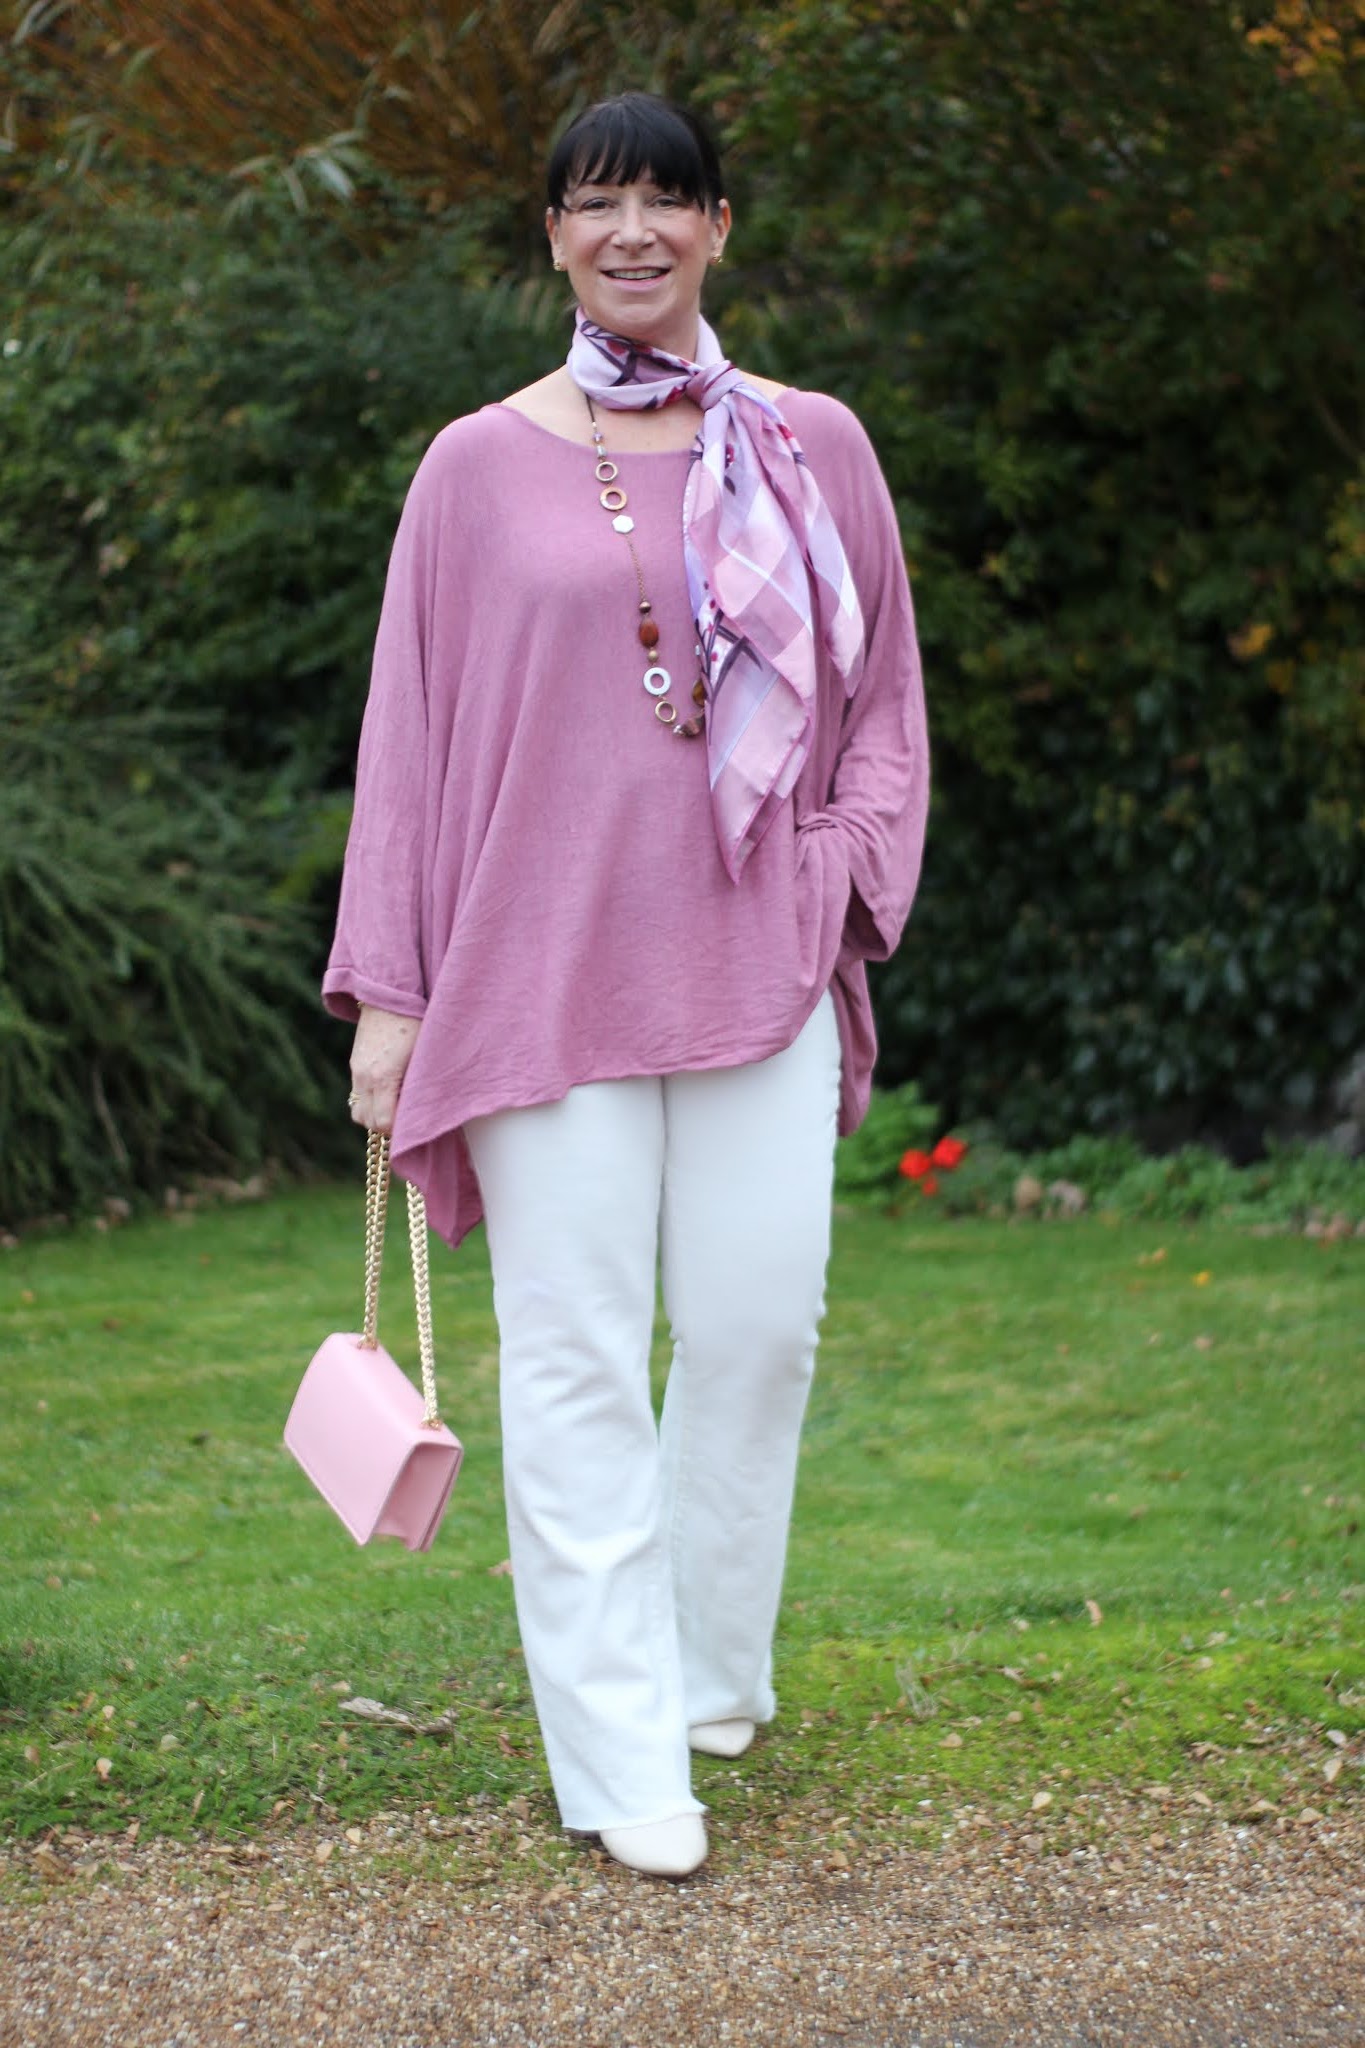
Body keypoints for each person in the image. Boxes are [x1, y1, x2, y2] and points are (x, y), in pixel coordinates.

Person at [324, 92, 929, 1879]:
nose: (634, 230)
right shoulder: (470, 467)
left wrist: (836, 869)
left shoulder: (814, 444)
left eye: (668, 199)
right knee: (575, 1360)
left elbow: (884, 704)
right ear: (554, 236)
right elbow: (408, 741)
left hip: (759, 962)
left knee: (755, 1331)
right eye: (598, 203)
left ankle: (707, 1672)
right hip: (532, 975)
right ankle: (619, 1759)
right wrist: (391, 996)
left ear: (720, 227)